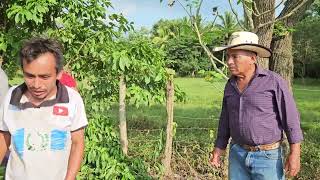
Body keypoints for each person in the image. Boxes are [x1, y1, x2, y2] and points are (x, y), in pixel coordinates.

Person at [209, 31, 303, 180]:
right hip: (237, 155)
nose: (229, 62)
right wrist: (219, 147)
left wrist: (295, 153)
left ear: (252, 58)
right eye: (228, 56)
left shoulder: (273, 82)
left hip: (267, 158)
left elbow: (290, 118)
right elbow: (225, 119)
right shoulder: (230, 85)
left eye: (235, 56)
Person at [0, 38, 88, 180]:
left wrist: (69, 178)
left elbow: (77, 142)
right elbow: (4, 136)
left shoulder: (72, 99)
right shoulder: (12, 97)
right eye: (29, 76)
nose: (36, 84)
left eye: (44, 77)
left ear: (59, 73)